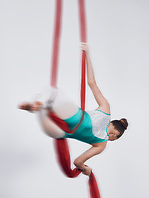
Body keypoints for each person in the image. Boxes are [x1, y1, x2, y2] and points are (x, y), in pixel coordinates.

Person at [19, 43, 128, 176]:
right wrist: (85, 169)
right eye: (114, 140)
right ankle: (40, 107)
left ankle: (39, 104)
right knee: (46, 106)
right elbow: (77, 162)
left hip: (71, 114)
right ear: (116, 135)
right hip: (57, 131)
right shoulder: (102, 145)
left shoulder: (106, 109)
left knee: (51, 92)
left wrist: (87, 54)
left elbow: (91, 82)